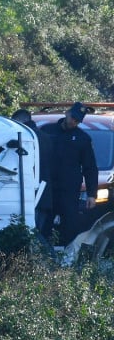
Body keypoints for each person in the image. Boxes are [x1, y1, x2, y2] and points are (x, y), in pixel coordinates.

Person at [38, 102, 98, 245]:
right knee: (42, 226)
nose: (74, 122)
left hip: (69, 192)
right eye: (73, 118)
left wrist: (91, 194)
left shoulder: (83, 138)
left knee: (70, 228)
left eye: (78, 120)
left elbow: (90, 167)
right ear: (67, 113)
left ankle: (67, 260)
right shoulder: (47, 131)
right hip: (47, 189)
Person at [11, 108, 52, 232]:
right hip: (43, 193)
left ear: (19, 121)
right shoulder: (45, 138)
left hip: (25, 192)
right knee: (36, 232)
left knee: (26, 232)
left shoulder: (21, 136)